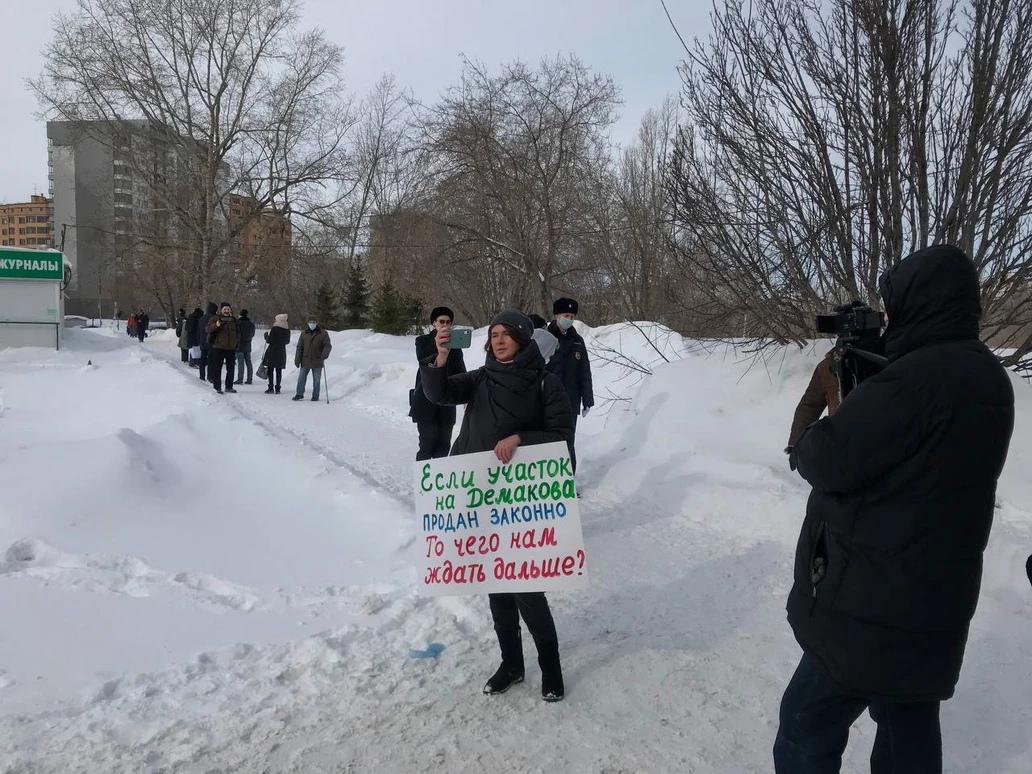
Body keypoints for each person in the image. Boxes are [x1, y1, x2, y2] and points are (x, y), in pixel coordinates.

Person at [775, 245, 1015, 774]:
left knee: (803, 727)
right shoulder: (989, 379)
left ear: (918, 302)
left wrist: (827, 421)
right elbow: (916, 465)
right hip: (937, 603)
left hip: (873, 602)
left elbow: (829, 457)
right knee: (908, 734)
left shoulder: (916, 380)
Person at [420, 310, 574, 702]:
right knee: (495, 587)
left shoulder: (546, 383)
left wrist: (521, 438)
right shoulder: (483, 377)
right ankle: (511, 664)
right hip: (479, 497)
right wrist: (439, 359)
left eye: (506, 334)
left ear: (523, 339)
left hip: (520, 502)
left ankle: (551, 668)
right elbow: (439, 394)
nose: (499, 340)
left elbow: (562, 443)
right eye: (494, 335)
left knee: (527, 591)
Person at [410, 306, 466, 460]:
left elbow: (461, 371)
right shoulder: (422, 341)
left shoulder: (455, 345)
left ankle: (438, 483)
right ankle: (424, 483)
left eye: (448, 322)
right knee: (426, 446)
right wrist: (441, 351)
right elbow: (424, 361)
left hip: (447, 403)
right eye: (442, 321)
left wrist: (467, 395)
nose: (445, 325)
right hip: (425, 401)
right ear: (434, 323)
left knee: (443, 447)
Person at [546, 298, 594, 471]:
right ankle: (546, 481)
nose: (569, 319)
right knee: (547, 441)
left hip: (570, 401)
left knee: (568, 441)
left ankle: (568, 483)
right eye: (566, 315)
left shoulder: (577, 341)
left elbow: (584, 372)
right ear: (557, 315)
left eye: (572, 316)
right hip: (546, 400)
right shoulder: (545, 337)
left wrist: (587, 398)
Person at [786, 349, 840, 451]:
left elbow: (809, 406)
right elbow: (809, 407)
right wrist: (795, 445)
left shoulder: (877, 358)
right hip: (842, 445)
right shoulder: (829, 366)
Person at [292, 318, 332, 401]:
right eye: (310, 322)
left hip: (317, 360)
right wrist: (297, 360)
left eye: (313, 322)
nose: (312, 324)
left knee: (316, 380)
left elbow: (327, 345)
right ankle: (299, 394)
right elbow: (300, 347)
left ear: (317, 323)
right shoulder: (304, 333)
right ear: (308, 323)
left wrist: (324, 354)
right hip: (305, 360)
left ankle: (315, 396)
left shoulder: (323, 333)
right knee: (301, 379)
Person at [205, 302, 239, 394]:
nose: (227, 311)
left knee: (231, 369)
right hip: (218, 347)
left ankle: (229, 386)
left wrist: (236, 342)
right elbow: (207, 329)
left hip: (231, 348)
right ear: (221, 310)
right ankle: (217, 387)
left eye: (228, 309)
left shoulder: (233, 320)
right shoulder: (215, 318)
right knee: (217, 368)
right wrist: (216, 325)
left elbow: (237, 332)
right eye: (225, 309)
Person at [263, 313, 290, 394]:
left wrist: (266, 337)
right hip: (281, 352)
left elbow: (270, 340)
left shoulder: (275, 329)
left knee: (270, 370)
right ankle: (278, 388)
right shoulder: (287, 330)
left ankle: (270, 387)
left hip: (272, 351)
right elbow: (287, 341)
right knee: (279, 370)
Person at [234, 309, 256, 385]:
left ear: (240, 315)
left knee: (241, 363)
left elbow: (235, 334)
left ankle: (240, 379)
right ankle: (249, 379)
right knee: (248, 362)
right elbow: (253, 334)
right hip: (248, 345)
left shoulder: (237, 323)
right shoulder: (251, 324)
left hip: (239, 345)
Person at [196, 302, 217, 381]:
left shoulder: (201, 318)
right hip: (212, 342)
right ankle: (210, 376)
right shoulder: (215, 318)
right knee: (211, 360)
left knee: (202, 359)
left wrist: (199, 340)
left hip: (202, 342)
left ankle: (202, 376)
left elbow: (198, 331)